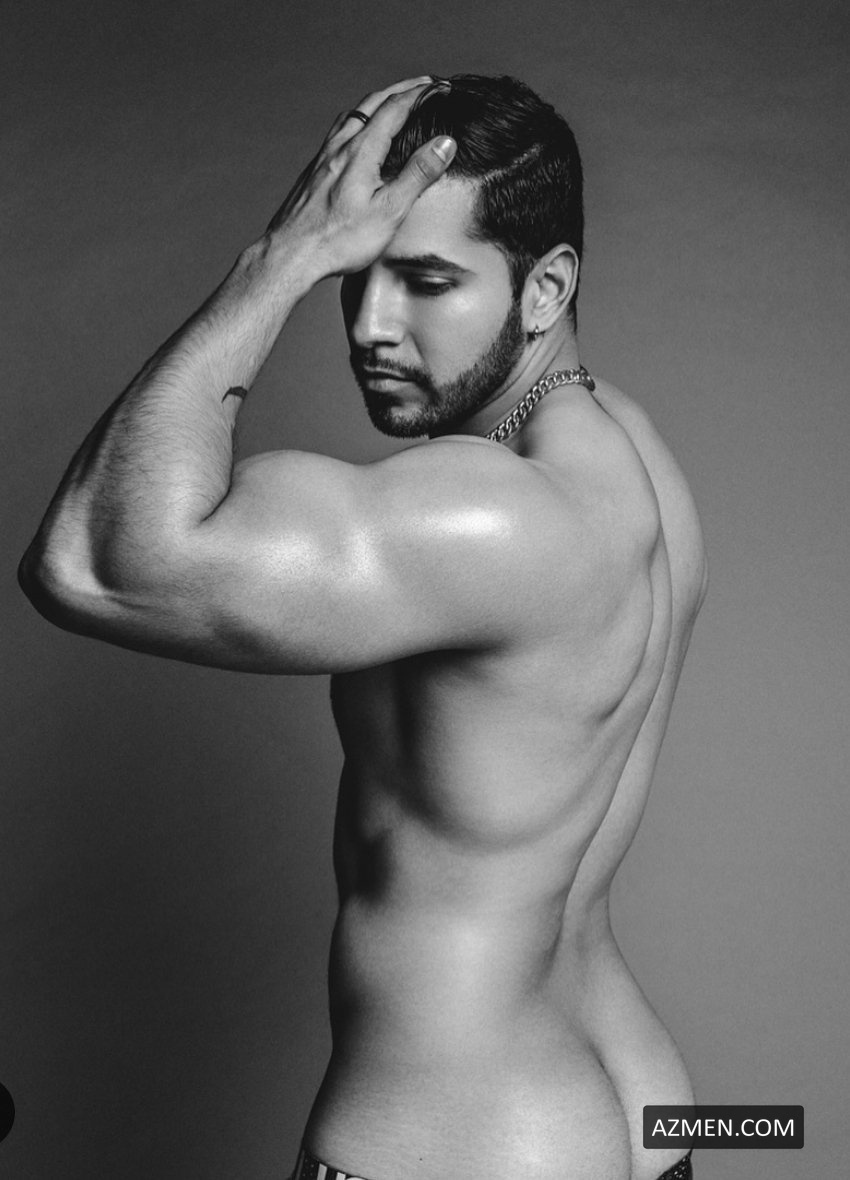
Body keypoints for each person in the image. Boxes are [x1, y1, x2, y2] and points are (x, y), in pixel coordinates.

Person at [19, 74, 707, 1180]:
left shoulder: (487, 516)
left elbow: (90, 560)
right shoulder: (633, 459)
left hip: (467, 1143)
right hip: (646, 1119)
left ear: (546, 288)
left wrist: (281, 259)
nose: (371, 326)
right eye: (353, 276)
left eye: (425, 281)